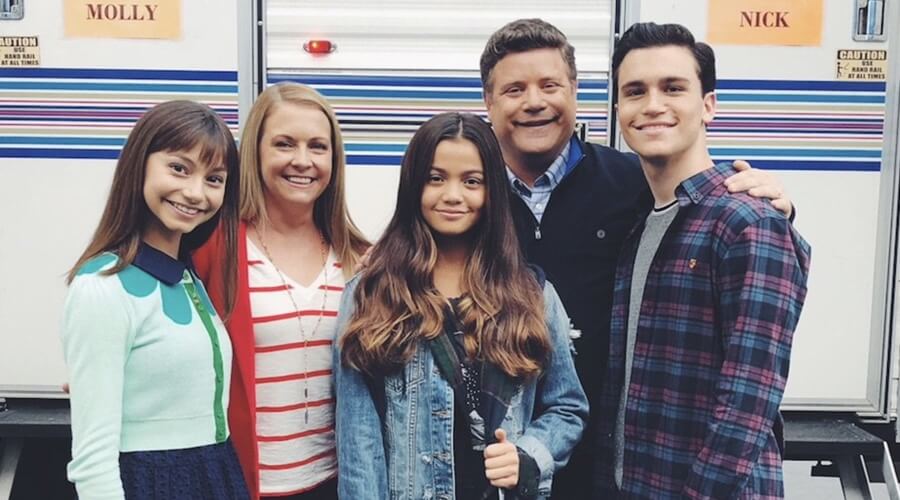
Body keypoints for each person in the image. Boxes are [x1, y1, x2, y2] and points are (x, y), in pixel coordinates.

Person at [478, 18, 795, 498]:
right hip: (517, 460)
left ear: (575, 92)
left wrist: (778, 210)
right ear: (488, 101)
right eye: (514, 89)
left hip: (622, 466)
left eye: (550, 85)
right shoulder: (469, 197)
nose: (534, 101)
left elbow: (748, 392)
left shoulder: (635, 186)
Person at [594, 23, 810, 498]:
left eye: (673, 88)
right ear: (618, 109)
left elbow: (747, 402)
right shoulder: (639, 227)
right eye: (635, 91)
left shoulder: (748, 223)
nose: (653, 105)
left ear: (708, 105)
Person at [334, 112, 588, 499]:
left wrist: (527, 455)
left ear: (492, 191)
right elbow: (358, 441)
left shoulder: (532, 295)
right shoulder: (371, 295)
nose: (453, 195)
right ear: (413, 185)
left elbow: (567, 407)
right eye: (435, 178)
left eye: (472, 181)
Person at [61, 100, 246, 499]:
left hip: (216, 473)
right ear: (139, 165)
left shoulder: (188, 277)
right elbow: (92, 462)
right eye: (179, 168)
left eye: (214, 179)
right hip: (151, 483)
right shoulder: (102, 286)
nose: (195, 192)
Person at [193, 82, 369, 500]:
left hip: (335, 485)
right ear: (256, 152)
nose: (302, 160)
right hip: (241, 484)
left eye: (318, 147)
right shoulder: (214, 248)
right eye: (285, 144)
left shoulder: (359, 258)